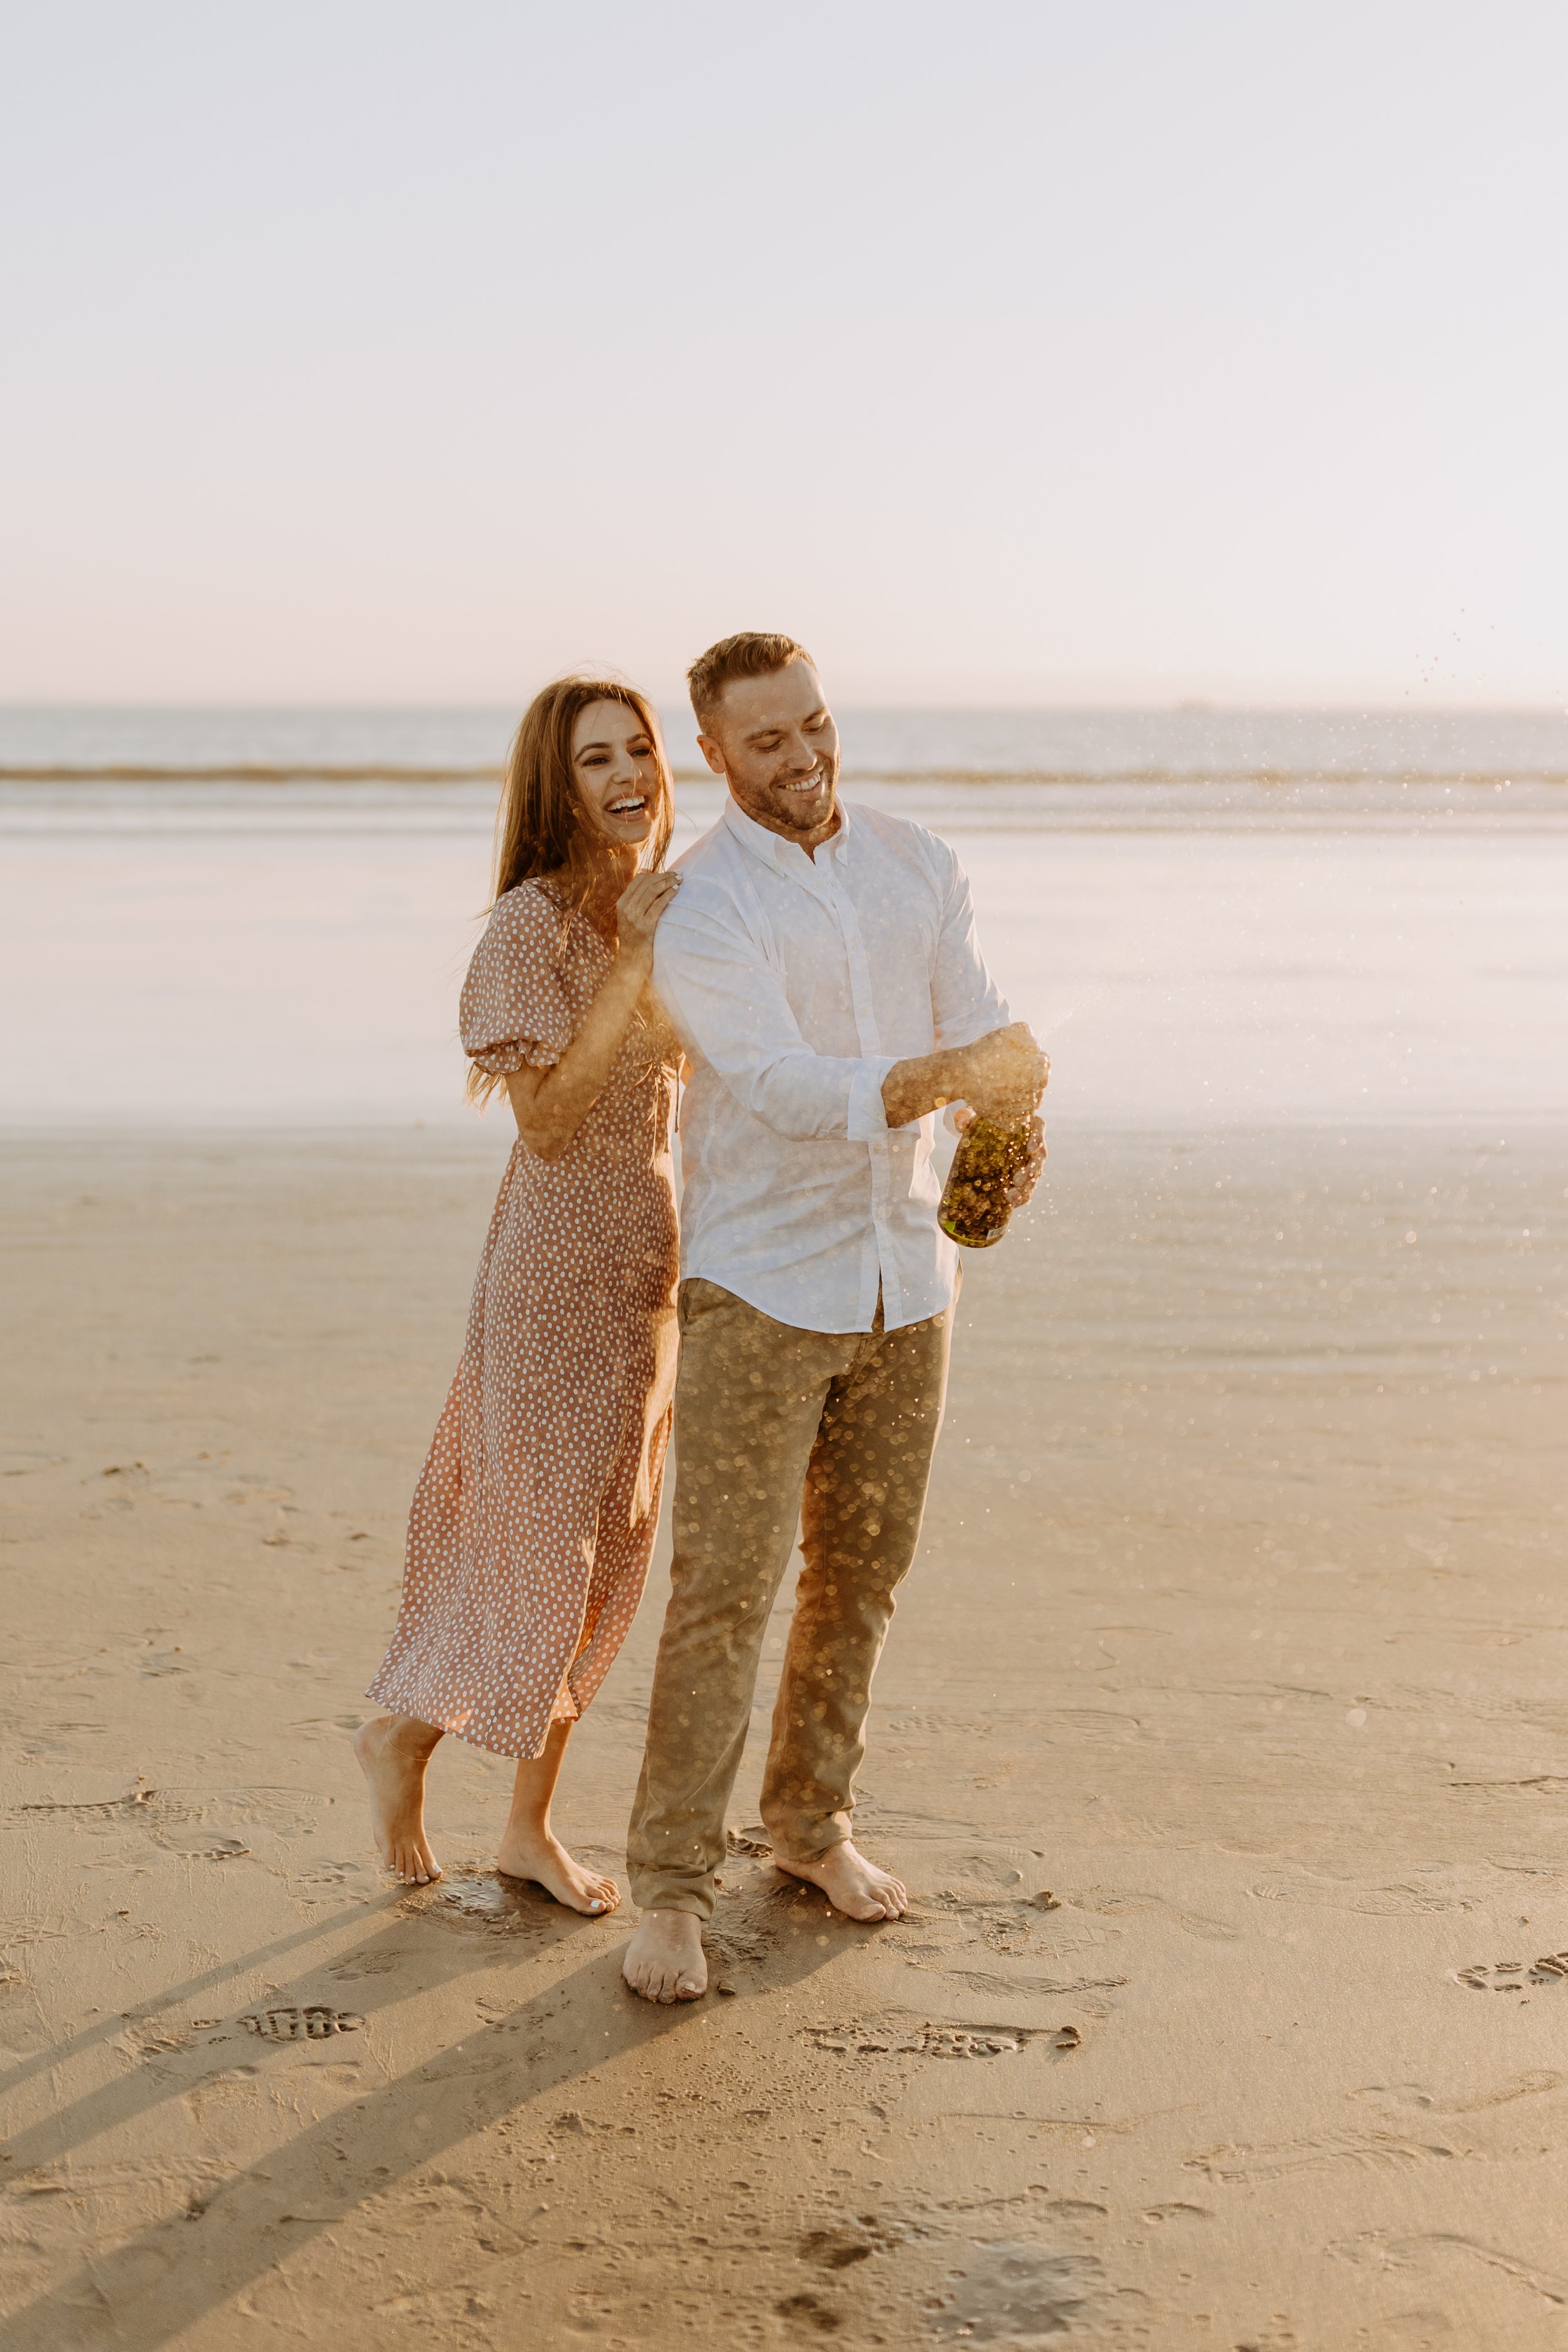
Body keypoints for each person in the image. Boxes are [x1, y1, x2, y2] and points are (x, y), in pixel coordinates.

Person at [621, 633, 1046, 2000]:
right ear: (715, 754)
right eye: (766, 742)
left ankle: (809, 1828)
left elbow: (980, 1023)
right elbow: (782, 1082)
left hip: (907, 1283)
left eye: (813, 727)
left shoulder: (918, 862)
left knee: (859, 1583)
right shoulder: (698, 908)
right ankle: (671, 1890)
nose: (801, 759)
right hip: (757, 1285)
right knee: (723, 1595)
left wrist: (1010, 1103)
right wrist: (947, 1073)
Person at [356, 676, 683, 1913]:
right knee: (543, 1545)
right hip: (554, 1276)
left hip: (646, 1280)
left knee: (604, 1553)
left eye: (638, 749)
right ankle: (404, 1737)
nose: (625, 776)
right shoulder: (531, 929)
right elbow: (547, 1123)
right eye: (594, 758)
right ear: (555, 785)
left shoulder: (656, 906)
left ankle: (524, 1830)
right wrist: (634, 958)